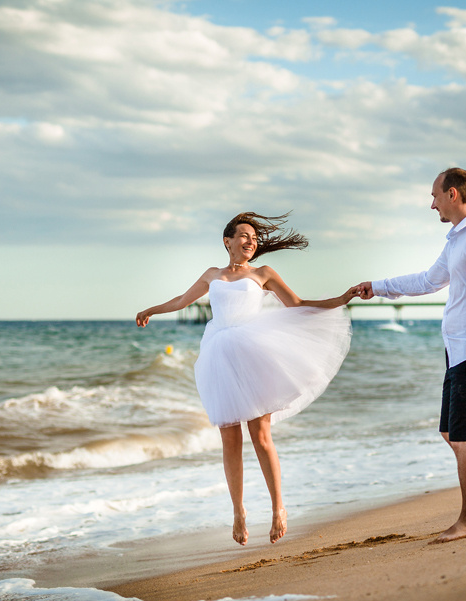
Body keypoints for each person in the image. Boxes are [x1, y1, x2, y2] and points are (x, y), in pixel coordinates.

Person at [137, 212, 357, 545]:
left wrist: (341, 299)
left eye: (254, 238)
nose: (250, 241)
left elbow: (297, 304)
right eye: (243, 235)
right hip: (219, 357)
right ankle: (239, 512)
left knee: (261, 435)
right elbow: (183, 301)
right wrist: (151, 309)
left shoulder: (264, 274)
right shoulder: (212, 275)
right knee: (230, 440)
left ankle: (278, 508)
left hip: (254, 356)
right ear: (227, 241)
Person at [355, 167, 466, 543]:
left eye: (435, 195)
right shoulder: (456, 240)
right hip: (458, 349)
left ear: (452, 194)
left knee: (464, 437)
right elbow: (427, 280)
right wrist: (378, 287)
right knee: (450, 431)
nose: (432, 204)